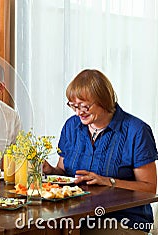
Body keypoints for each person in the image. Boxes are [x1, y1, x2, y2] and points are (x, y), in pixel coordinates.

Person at [43, 69, 157, 234]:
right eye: (74, 106)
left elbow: (149, 189)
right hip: (74, 217)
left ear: (104, 100)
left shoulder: (136, 131)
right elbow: (63, 171)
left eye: (84, 106)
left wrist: (108, 181)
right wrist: (50, 171)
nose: (78, 112)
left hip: (122, 221)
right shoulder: (71, 126)